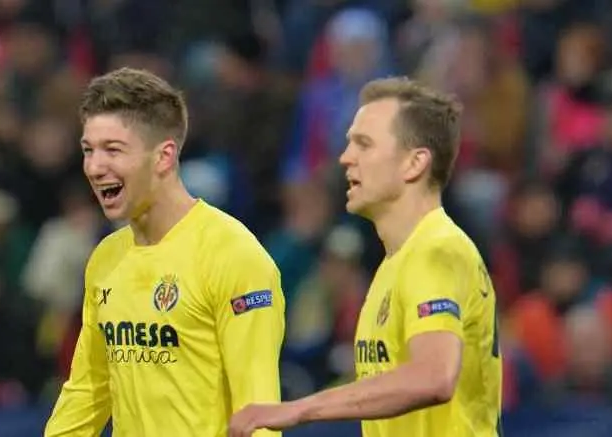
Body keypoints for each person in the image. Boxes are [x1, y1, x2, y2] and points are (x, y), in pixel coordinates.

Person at [228, 77, 502, 437]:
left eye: (364, 144)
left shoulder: (435, 251)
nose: (345, 158)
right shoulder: (395, 265)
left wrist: (297, 410)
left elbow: (433, 377)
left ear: (414, 163)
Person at [44, 67, 285, 437]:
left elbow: (259, 415)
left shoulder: (233, 255)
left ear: (164, 157)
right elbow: (87, 393)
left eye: (113, 150)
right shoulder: (106, 259)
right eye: (88, 150)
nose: (94, 167)